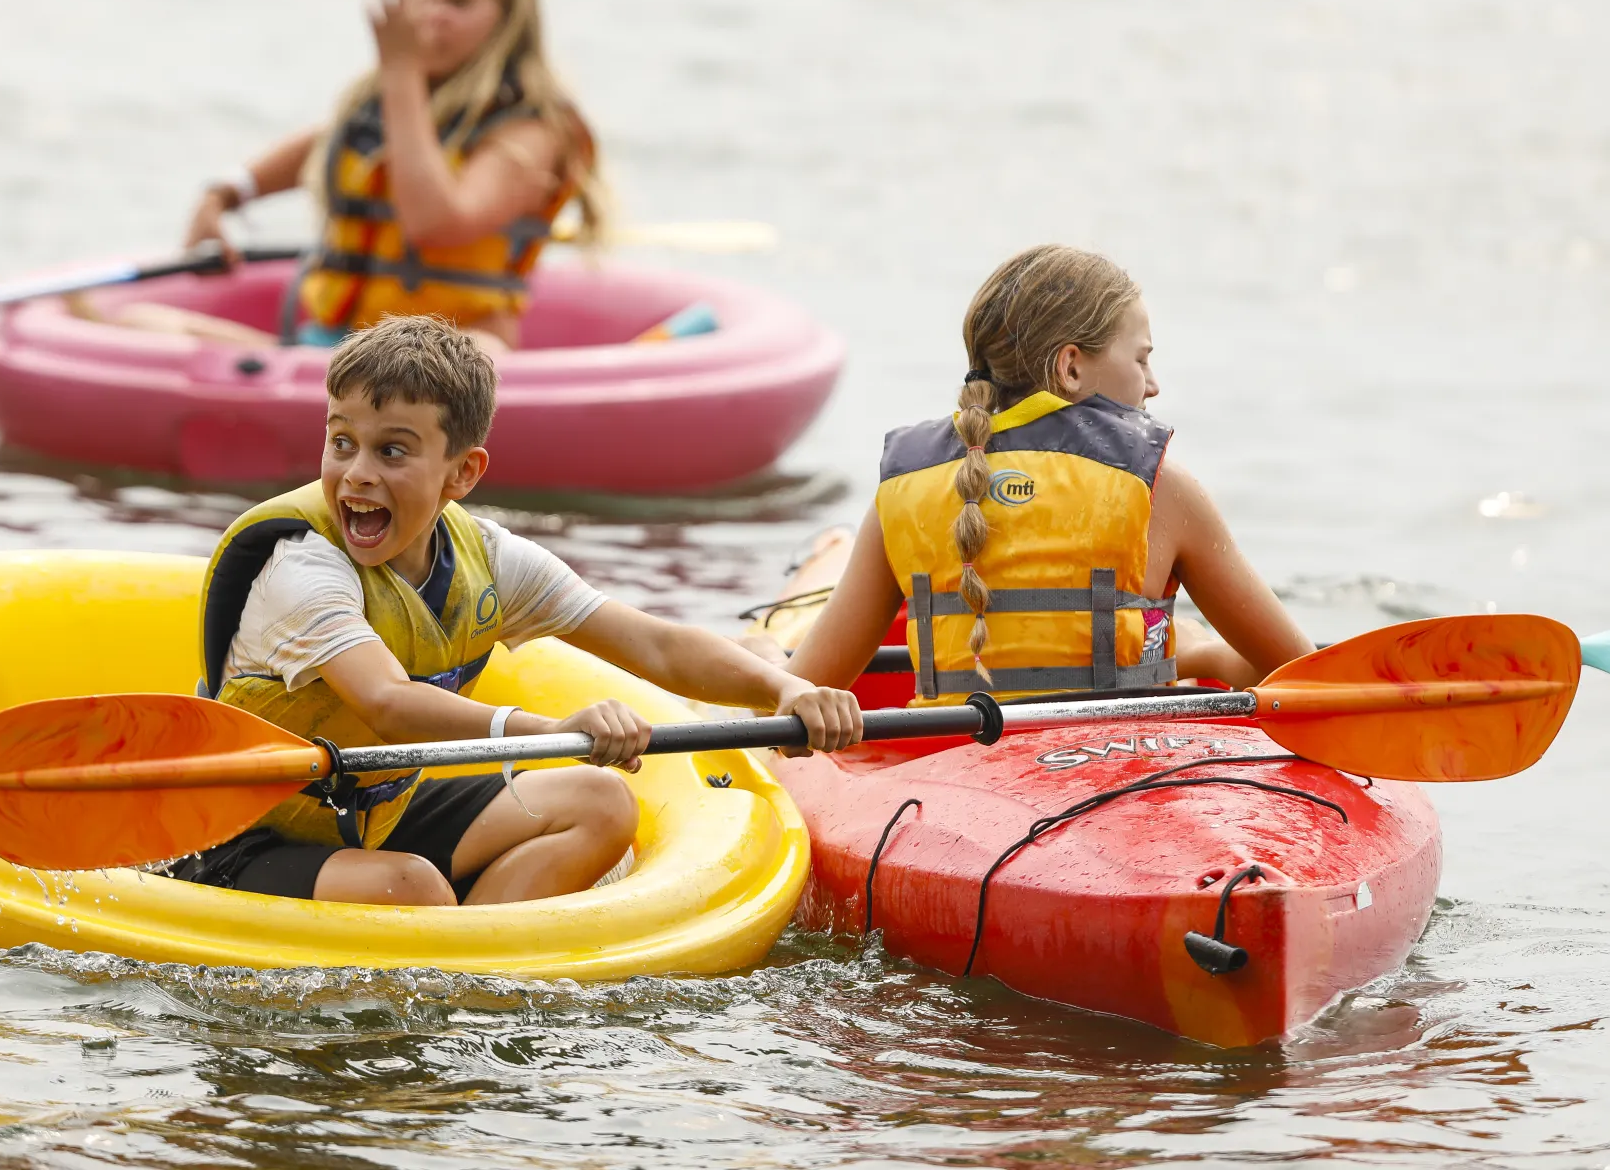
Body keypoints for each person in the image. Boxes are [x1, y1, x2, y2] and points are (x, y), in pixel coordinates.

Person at [171, 315, 860, 906]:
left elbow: (653, 647)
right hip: (241, 834)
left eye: (392, 451)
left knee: (601, 803)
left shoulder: (489, 558)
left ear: (462, 474)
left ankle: (471, 967)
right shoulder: (301, 563)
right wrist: (551, 729)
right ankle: (441, 944)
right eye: (341, 441)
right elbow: (385, 702)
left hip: (371, 817)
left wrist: (784, 687)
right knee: (409, 889)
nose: (356, 474)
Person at [775, 244, 1311, 705]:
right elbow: (1303, 674)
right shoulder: (1161, 488)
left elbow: (800, 695)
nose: (1153, 385)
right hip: (1123, 774)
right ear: (1071, 366)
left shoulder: (905, 490)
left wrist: (763, 661)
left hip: (951, 779)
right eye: (1142, 359)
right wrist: (1212, 657)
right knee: (1187, 639)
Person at [75, 0, 603, 353]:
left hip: (455, 353)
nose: (434, 15)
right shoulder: (388, 103)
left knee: (471, 365)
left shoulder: (532, 131)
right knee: (144, 325)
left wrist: (400, 71)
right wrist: (225, 193)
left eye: (458, 1)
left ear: (508, 21)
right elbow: (320, 148)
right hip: (335, 345)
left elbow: (434, 224)